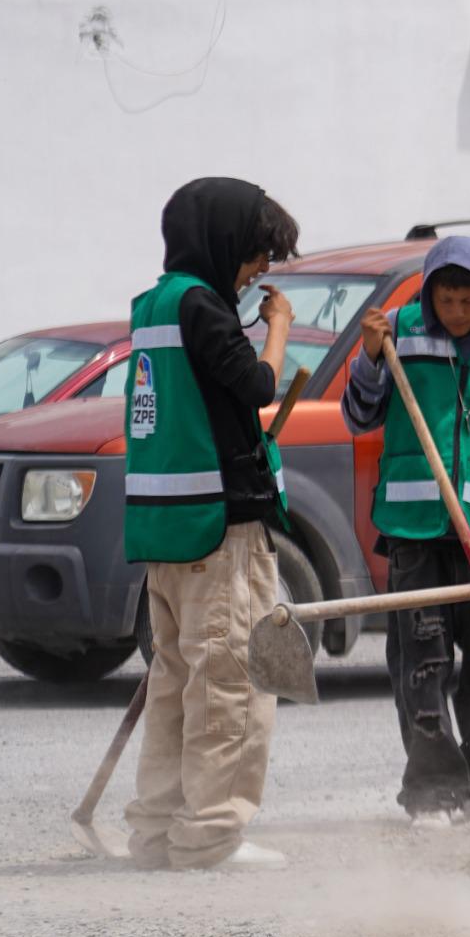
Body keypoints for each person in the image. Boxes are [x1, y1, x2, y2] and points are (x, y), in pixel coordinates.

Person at [123, 176, 302, 872]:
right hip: (218, 528)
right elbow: (256, 387)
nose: (260, 270)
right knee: (230, 683)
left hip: (167, 533)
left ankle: (159, 832)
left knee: (175, 685)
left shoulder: (154, 306)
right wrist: (279, 327)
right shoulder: (203, 307)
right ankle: (211, 836)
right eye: (257, 253)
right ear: (224, 239)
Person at [342, 238, 470, 824]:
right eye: (445, 298)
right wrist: (370, 360)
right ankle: (431, 790)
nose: (455, 311)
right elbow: (358, 417)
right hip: (415, 528)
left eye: (466, 299)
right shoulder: (398, 332)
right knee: (421, 665)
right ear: (429, 294)